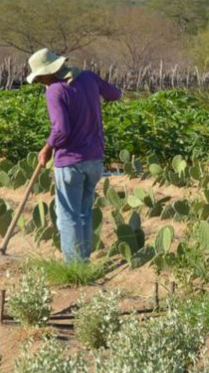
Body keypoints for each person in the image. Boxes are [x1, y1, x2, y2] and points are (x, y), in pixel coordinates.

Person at [26, 48, 122, 263]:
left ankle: (73, 266)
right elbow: (115, 94)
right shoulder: (88, 77)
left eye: (40, 76)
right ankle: (83, 261)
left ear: (50, 72)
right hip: (95, 159)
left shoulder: (55, 90)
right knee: (84, 212)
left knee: (68, 216)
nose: (40, 81)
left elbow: (61, 130)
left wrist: (47, 148)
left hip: (70, 161)